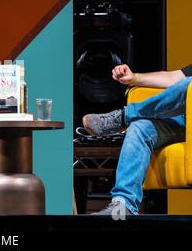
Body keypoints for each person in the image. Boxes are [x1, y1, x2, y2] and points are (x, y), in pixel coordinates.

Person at [82, 63, 192, 215]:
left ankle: (124, 116)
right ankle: (122, 206)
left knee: (189, 84)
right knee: (140, 127)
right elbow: (175, 77)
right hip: (186, 125)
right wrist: (134, 77)